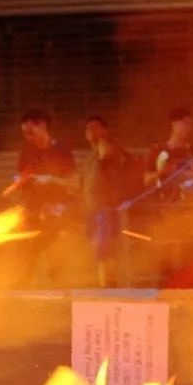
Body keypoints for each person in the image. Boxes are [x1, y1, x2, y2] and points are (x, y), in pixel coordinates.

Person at [10, 109, 82, 286]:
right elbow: (21, 182)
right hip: (34, 214)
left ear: (42, 125)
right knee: (25, 255)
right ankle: (21, 293)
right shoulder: (26, 153)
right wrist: (19, 182)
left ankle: (60, 292)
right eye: (25, 134)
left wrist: (51, 180)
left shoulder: (61, 150)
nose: (28, 137)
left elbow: (74, 184)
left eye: (31, 132)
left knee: (57, 258)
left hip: (58, 216)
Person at [142, 106, 193, 281]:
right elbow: (146, 180)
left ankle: (190, 293)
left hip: (189, 213)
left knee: (190, 258)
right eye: (184, 123)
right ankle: (165, 295)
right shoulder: (158, 151)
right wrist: (162, 172)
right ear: (173, 124)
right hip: (165, 214)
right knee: (166, 260)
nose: (188, 127)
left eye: (190, 123)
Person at [82, 116, 142, 288]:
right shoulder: (89, 160)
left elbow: (124, 176)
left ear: (105, 131)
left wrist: (105, 157)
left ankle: (111, 286)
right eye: (88, 129)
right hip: (92, 211)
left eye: (96, 127)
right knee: (98, 252)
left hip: (108, 211)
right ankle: (103, 285)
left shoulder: (115, 154)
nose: (92, 132)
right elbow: (85, 184)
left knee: (107, 251)